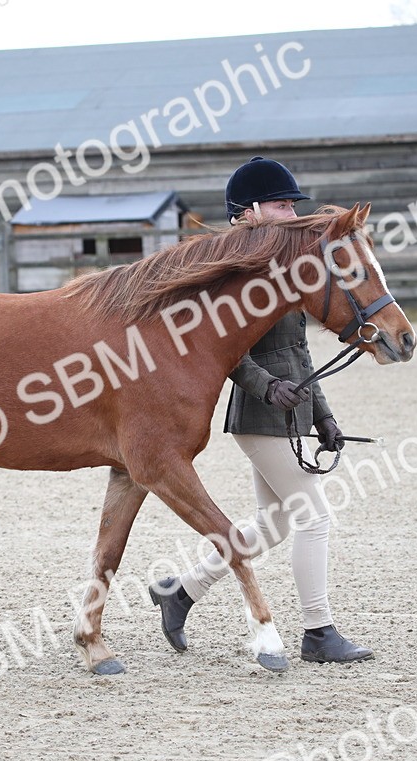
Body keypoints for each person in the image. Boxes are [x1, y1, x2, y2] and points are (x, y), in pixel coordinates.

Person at [148, 156, 373, 665]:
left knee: (272, 526)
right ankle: (318, 631)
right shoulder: (237, 272)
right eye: (279, 204)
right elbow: (225, 351)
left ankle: (179, 593)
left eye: (292, 205)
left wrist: (324, 418)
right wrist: (267, 386)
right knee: (315, 519)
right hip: (259, 413)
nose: (291, 214)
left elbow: (302, 355)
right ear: (247, 212)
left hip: (290, 413)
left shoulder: (287, 266)